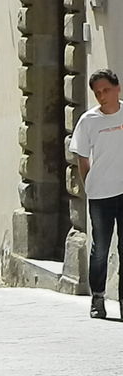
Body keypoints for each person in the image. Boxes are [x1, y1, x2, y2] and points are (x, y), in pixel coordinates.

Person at [70, 68, 123, 320]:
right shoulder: (88, 120)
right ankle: (98, 297)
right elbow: (81, 155)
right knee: (100, 248)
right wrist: (88, 182)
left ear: (117, 89)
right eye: (98, 92)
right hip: (101, 194)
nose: (102, 96)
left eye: (106, 90)